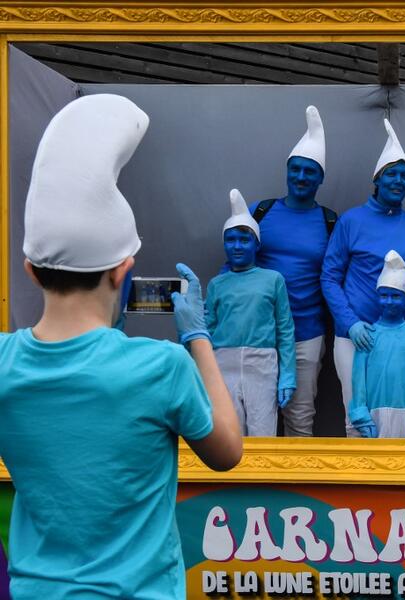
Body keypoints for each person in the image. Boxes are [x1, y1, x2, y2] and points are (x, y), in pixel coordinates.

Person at [0, 94, 242, 599]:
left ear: (29, 269)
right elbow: (227, 452)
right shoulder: (161, 366)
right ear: (122, 270)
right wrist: (197, 338)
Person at [221, 106, 335, 437]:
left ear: (321, 178)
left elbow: (335, 274)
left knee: (300, 418)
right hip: (257, 334)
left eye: (310, 171)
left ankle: (295, 488)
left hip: (307, 333)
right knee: (250, 415)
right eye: (296, 169)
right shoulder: (262, 211)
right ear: (287, 171)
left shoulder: (329, 220)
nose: (301, 177)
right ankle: (248, 485)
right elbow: (235, 263)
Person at [321, 119, 405, 437]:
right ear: (377, 177)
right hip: (356, 337)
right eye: (392, 173)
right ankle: (361, 487)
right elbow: (330, 277)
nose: (398, 181)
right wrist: (350, 323)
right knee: (358, 419)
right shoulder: (351, 221)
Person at [207, 189, 297, 437]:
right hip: (223, 362)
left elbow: (285, 329)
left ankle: (263, 477)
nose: (237, 246)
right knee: (228, 431)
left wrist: (287, 374)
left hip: (263, 363)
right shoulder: (217, 284)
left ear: (257, 244)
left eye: (244, 239)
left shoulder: (273, 280)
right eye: (231, 239)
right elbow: (208, 328)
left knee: (263, 430)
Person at [349, 251, 405, 438]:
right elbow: (358, 379)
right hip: (373, 416)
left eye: (396, 296)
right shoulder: (368, 334)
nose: (389, 301)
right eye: (384, 295)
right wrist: (361, 414)